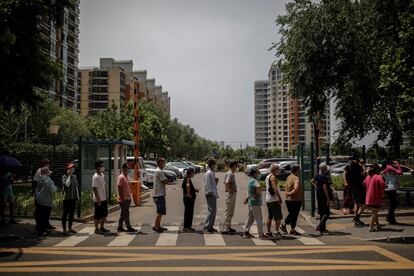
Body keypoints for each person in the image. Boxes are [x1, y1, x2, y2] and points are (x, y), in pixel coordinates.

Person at [242, 167, 268, 240]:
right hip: (255, 203)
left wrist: (247, 199)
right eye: (258, 172)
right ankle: (261, 234)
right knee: (259, 219)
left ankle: (246, 232)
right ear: (254, 173)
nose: (259, 173)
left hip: (251, 203)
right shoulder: (255, 181)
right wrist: (257, 194)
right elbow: (258, 187)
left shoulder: (250, 180)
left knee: (250, 218)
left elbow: (249, 192)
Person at [33, 159, 56, 230]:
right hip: (41, 195)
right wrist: (35, 192)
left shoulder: (46, 171)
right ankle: (40, 227)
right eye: (47, 163)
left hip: (45, 196)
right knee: (40, 212)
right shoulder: (40, 171)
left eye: (49, 163)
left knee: (46, 212)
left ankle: (45, 225)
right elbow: (35, 181)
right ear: (44, 164)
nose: (49, 164)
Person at [280, 164, 303, 235]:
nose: (300, 171)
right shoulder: (296, 178)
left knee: (292, 214)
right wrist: (290, 193)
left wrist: (288, 194)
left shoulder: (289, 177)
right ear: (297, 170)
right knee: (294, 215)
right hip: (295, 199)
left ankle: (291, 229)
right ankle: (285, 225)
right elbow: (296, 189)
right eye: (299, 170)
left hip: (288, 200)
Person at [345, 155, 367, 227]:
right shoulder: (357, 165)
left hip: (353, 186)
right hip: (359, 186)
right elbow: (364, 173)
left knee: (356, 203)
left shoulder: (350, 165)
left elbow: (346, 173)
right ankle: (356, 218)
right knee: (363, 204)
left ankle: (356, 220)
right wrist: (363, 164)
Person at [364, 164, 386, 232]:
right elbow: (383, 185)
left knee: (375, 212)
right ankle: (371, 227)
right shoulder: (378, 176)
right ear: (377, 170)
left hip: (368, 198)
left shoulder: (368, 177)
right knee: (374, 213)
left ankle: (378, 225)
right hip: (375, 198)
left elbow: (364, 183)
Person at [117, 163, 138, 232]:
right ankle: (129, 227)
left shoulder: (127, 177)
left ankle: (119, 226)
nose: (127, 169)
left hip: (128, 198)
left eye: (128, 168)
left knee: (123, 213)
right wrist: (122, 198)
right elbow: (119, 187)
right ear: (123, 169)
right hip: (123, 199)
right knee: (126, 213)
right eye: (126, 168)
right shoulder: (121, 177)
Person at [312, 163, 332, 234]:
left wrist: (316, 187)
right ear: (324, 168)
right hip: (323, 196)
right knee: (327, 213)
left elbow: (312, 180)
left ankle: (322, 229)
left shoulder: (318, 175)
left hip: (318, 195)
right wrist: (328, 199)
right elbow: (325, 188)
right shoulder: (324, 177)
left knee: (322, 213)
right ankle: (319, 226)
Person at [381, 159, 402, 224]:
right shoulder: (389, 167)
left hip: (388, 188)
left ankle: (390, 217)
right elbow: (400, 172)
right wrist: (398, 164)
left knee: (393, 204)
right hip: (392, 188)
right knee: (394, 204)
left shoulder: (384, 169)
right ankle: (390, 217)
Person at [265, 164, 283, 238]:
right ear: (273, 170)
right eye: (277, 169)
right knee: (278, 217)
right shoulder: (273, 177)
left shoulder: (267, 176)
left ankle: (269, 232)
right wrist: (279, 198)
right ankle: (276, 231)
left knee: (270, 217)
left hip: (268, 199)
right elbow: (274, 188)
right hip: (274, 200)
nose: (278, 170)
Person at [61, 162, 79, 235]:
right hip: (66, 198)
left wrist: (78, 197)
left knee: (71, 214)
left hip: (73, 198)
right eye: (71, 168)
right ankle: (64, 229)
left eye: (73, 168)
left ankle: (70, 228)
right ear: (67, 169)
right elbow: (67, 185)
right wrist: (69, 176)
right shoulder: (64, 177)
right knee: (65, 214)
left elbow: (76, 187)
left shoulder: (75, 177)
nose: (72, 169)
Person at [92, 160, 109, 235]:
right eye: (101, 166)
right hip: (98, 199)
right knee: (97, 214)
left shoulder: (102, 175)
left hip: (104, 198)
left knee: (104, 214)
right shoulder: (95, 176)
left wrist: (106, 195)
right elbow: (94, 188)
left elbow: (104, 186)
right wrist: (98, 199)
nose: (103, 167)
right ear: (97, 167)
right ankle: (96, 229)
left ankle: (102, 227)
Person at [152, 157, 168, 233]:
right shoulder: (159, 171)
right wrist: (166, 180)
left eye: (164, 162)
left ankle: (158, 226)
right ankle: (156, 226)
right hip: (159, 194)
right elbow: (165, 181)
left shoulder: (159, 171)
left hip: (159, 194)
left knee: (161, 212)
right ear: (159, 163)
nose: (164, 164)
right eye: (163, 162)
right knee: (160, 212)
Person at [222, 161, 238, 234]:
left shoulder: (230, 173)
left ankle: (228, 226)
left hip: (231, 194)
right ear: (233, 166)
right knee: (228, 212)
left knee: (230, 212)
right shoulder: (230, 174)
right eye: (236, 166)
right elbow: (227, 182)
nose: (237, 167)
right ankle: (225, 228)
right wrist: (229, 190)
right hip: (230, 194)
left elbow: (225, 182)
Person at [203, 159, 219, 233]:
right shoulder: (208, 173)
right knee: (212, 210)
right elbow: (207, 184)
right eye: (214, 164)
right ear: (212, 165)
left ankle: (210, 225)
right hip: (210, 194)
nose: (215, 166)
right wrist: (210, 192)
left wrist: (216, 182)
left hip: (212, 193)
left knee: (213, 211)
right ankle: (207, 226)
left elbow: (212, 184)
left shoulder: (212, 173)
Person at [182, 167, 198, 232]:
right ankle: (186, 227)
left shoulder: (187, 178)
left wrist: (194, 190)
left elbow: (188, 186)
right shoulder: (188, 178)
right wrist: (188, 194)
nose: (194, 174)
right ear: (191, 172)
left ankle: (188, 226)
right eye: (193, 172)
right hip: (188, 198)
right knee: (188, 213)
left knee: (189, 212)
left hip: (188, 198)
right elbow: (188, 186)